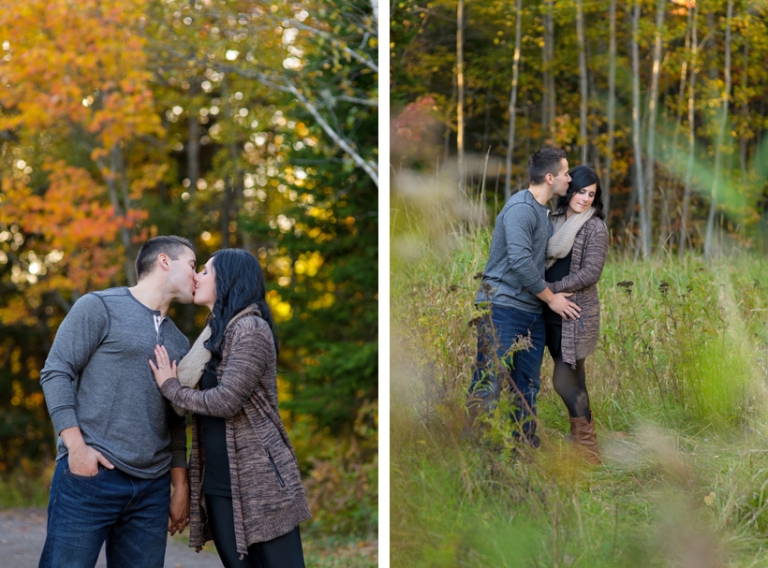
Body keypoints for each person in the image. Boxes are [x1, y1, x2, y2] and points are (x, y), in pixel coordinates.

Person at [38, 235, 197, 568]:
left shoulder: (180, 342)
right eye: (193, 265)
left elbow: (175, 420)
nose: (197, 276)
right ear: (165, 261)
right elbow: (56, 371)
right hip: (90, 477)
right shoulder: (100, 306)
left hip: (151, 490)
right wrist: (76, 448)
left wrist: (179, 485)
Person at [149, 248, 311, 568]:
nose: (196, 276)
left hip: (260, 478)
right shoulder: (214, 335)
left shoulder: (250, 329)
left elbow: (225, 401)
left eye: (205, 271)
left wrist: (171, 387)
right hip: (219, 480)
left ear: (228, 282)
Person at [469, 147, 582, 447]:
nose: (569, 179)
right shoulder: (521, 208)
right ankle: (479, 456)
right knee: (489, 380)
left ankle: (521, 453)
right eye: (565, 173)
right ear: (549, 178)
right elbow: (519, 263)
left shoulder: (543, 213)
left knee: (527, 386)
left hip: (531, 311)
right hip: (502, 307)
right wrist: (552, 299)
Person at [544, 165, 609, 463]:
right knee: (574, 379)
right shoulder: (553, 219)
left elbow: (591, 272)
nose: (585, 198)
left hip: (574, 314)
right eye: (581, 191)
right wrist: (545, 295)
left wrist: (551, 288)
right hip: (548, 308)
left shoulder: (594, 226)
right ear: (570, 190)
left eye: (591, 194)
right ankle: (584, 447)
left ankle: (587, 447)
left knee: (565, 380)